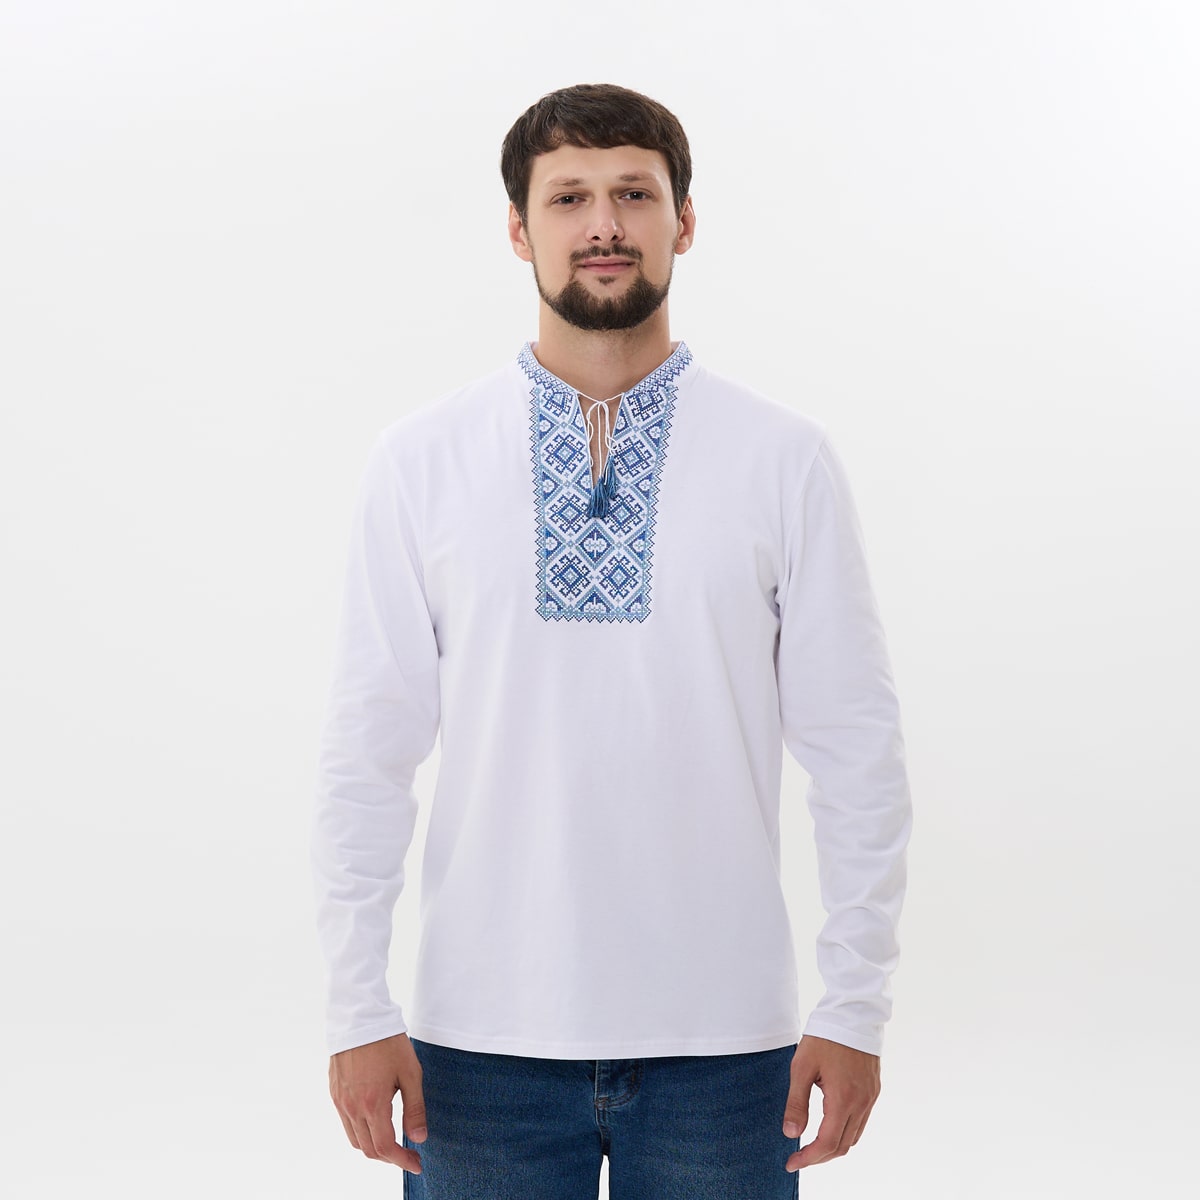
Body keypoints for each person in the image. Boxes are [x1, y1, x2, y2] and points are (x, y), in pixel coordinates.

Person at [311, 82, 912, 1199]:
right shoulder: (422, 462)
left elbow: (857, 753)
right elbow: (366, 757)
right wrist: (356, 1009)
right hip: (475, 1048)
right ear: (518, 228)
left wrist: (854, 1007)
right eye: (569, 197)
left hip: (729, 1051)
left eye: (635, 194)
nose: (604, 225)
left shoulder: (783, 460)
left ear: (685, 222)